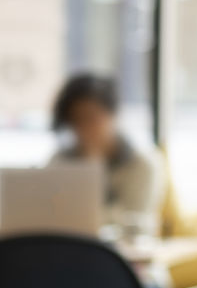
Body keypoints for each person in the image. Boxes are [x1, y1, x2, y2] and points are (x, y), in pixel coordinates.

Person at [49, 72, 162, 234]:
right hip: (69, 246)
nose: (83, 127)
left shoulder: (142, 164)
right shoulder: (60, 160)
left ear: (113, 115)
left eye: (90, 117)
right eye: (75, 120)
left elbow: (136, 223)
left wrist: (92, 166)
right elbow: (49, 211)